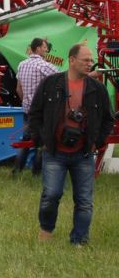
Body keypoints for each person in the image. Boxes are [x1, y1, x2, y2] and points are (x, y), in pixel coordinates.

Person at [29, 43, 113, 246]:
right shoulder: (51, 84)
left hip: (83, 154)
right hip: (54, 152)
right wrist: (42, 140)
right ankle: (46, 231)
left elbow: (108, 119)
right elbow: (35, 114)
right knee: (51, 194)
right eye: (85, 60)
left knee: (84, 201)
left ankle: (79, 241)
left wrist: (97, 142)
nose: (90, 64)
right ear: (72, 60)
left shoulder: (97, 89)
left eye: (91, 60)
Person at [15, 38, 58, 175]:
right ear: (38, 48)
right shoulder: (44, 66)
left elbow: (18, 89)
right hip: (42, 113)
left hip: (27, 110)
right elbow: (63, 79)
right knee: (42, 142)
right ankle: (36, 172)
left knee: (26, 140)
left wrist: (26, 103)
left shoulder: (22, 64)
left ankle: (17, 170)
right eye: (45, 47)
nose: (46, 50)